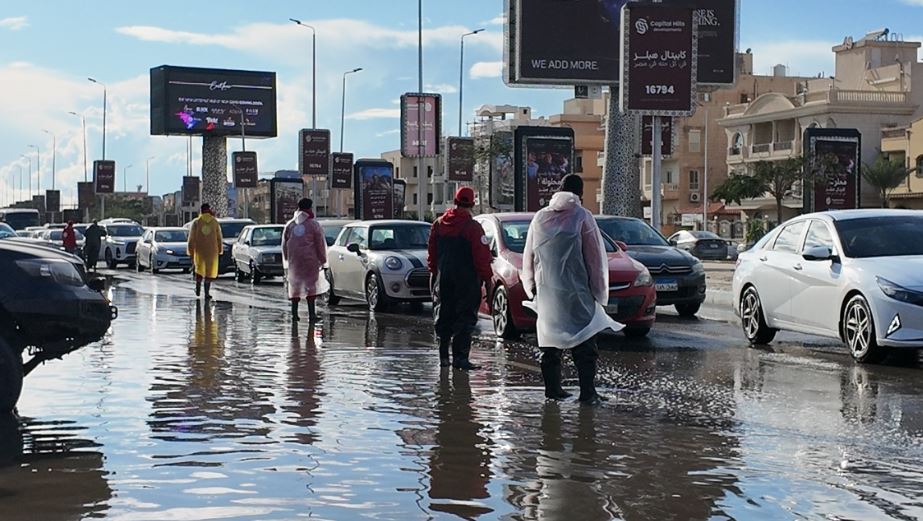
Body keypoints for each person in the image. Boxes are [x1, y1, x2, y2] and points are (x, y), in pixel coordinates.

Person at [522, 174, 623, 405]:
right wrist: (599, 293)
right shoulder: (582, 217)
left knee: (549, 342)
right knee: (585, 342)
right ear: (580, 193)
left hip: (548, 293)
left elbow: (529, 256)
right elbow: (595, 259)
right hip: (578, 292)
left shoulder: (540, 217)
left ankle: (553, 391)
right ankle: (588, 393)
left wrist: (532, 287)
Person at [428, 186, 493, 370]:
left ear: (455, 201)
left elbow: (432, 254)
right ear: (472, 204)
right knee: (465, 320)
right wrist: (488, 282)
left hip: (444, 280)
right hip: (467, 283)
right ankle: (460, 359)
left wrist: (434, 276)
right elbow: (482, 259)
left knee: (444, 316)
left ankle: (443, 357)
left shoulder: (438, 224)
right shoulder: (473, 228)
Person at [282, 198, 328, 322]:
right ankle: (312, 315)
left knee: (295, 287)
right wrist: (323, 259)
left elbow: (284, 244)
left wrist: (287, 258)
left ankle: (294, 314)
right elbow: (320, 244)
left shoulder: (290, 225)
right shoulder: (313, 225)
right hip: (310, 261)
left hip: (294, 262)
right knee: (311, 287)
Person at [187, 203, 224, 300]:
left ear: (201, 211)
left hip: (199, 251)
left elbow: (191, 238)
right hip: (212, 251)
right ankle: (207, 293)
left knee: (199, 269)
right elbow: (219, 237)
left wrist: (190, 251)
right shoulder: (214, 222)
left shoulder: (196, 222)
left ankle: (198, 287)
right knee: (209, 272)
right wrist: (220, 250)